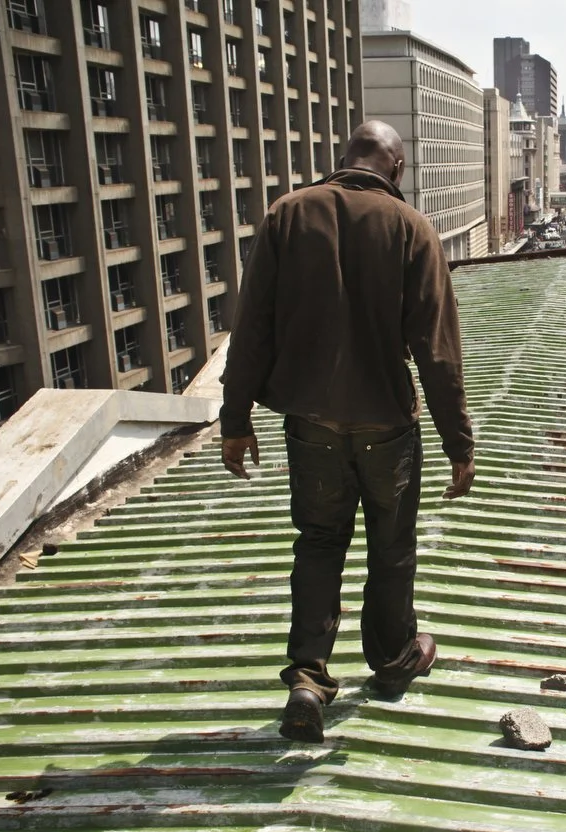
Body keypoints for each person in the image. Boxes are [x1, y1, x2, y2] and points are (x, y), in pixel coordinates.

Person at [219, 121, 475, 744]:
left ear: (342, 161)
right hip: (386, 425)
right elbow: (436, 350)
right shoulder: (412, 228)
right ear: (398, 167)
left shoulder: (288, 214)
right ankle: (391, 661)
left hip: (311, 424)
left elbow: (252, 327)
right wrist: (458, 444)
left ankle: (308, 677)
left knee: (318, 542)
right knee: (391, 547)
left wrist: (235, 420)